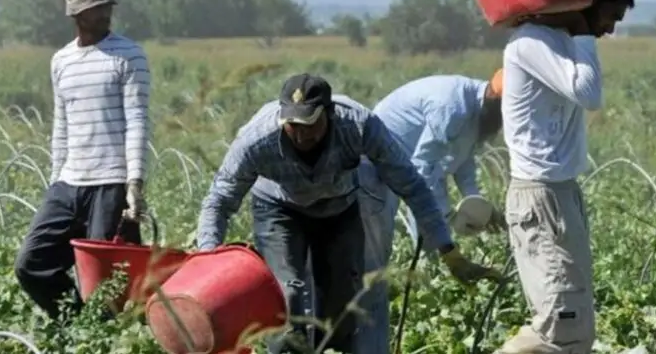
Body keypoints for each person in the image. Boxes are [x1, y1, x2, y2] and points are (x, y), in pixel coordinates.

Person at [195, 73, 501, 354]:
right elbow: (219, 201)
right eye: (292, 126)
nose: (300, 135)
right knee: (289, 297)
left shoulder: (358, 125)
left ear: (329, 114)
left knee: (341, 311)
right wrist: (207, 265)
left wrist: (448, 251)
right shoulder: (257, 140)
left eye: (310, 125)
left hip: (338, 209)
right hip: (280, 211)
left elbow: (412, 185)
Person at [495, 0, 638, 354]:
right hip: (541, 196)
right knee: (563, 324)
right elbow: (589, 93)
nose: (609, 32)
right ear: (584, 4)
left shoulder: (556, 38)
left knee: (572, 325)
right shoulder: (533, 42)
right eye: (610, 18)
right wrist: (580, 28)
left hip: (559, 194)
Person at [14, 0, 151, 321]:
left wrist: (133, 184)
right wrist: (54, 181)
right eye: (95, 6)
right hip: (69, 182)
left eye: (107, 4)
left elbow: (137, 121)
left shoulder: (129, 55)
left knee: (104, 285)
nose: (104, 12)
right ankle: (76, 327)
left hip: (110, 183)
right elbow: (61, 125)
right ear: (76, 14)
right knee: (31, 264)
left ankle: (101, 336)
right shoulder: (61, 61)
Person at [355, 71, 508, 354]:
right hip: (378, 163)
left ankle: (428, 293)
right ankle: (393, 315)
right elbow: (423, 171)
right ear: (496, 101)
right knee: (391, 246)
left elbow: (464, 163)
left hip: (412, 163)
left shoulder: (477, 115)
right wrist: (446, 217)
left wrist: (477, 206)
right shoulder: (452, 108)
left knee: (433, 238)